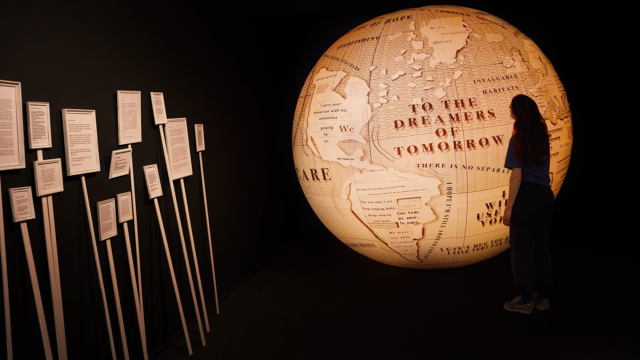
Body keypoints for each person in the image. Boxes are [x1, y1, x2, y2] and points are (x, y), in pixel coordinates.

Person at [502, 94, 554, 314]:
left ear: (518, 113)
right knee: (541, 247)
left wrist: (508, 208)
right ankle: (542, 298)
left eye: (511, 107)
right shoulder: (542, 135)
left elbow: (516, 176)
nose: (509, 109)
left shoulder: (518, 139)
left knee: (522, 250)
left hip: (527, 197)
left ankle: (524, 301)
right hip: (545, 196)